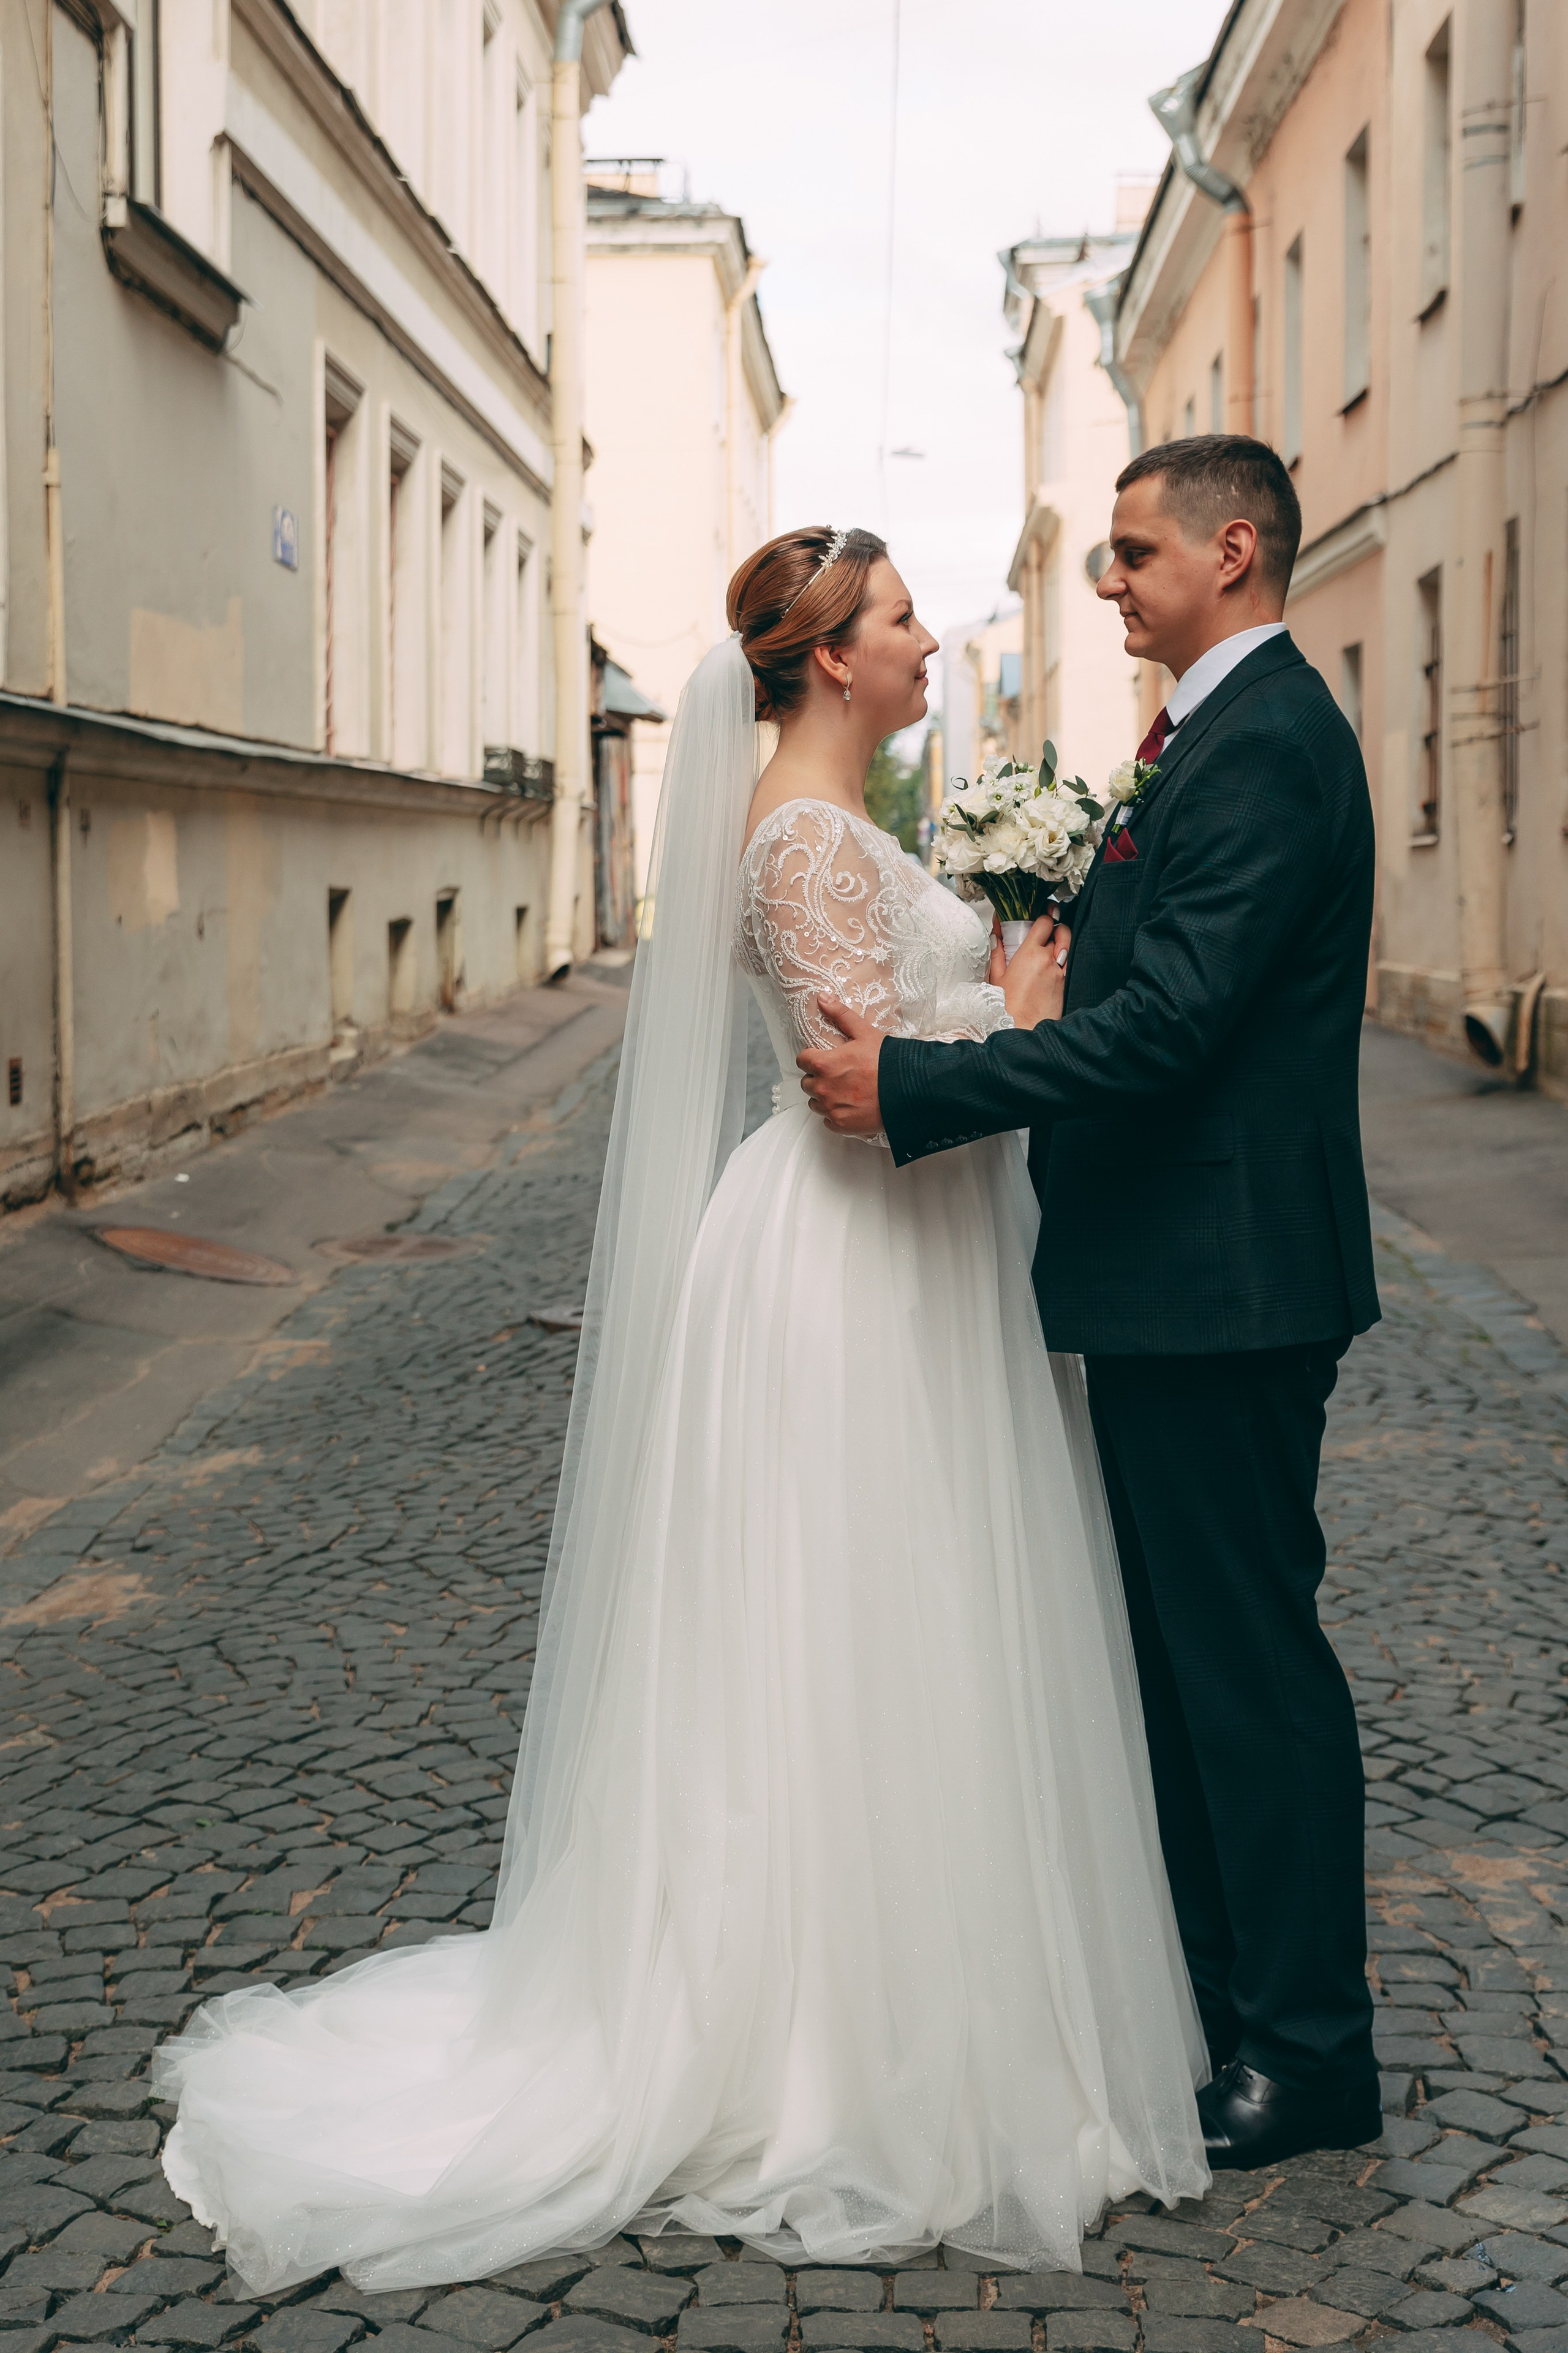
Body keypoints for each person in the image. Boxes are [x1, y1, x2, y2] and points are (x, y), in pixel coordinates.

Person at [151, 525, 1210, 2294]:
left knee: (916, 1618)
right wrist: (1020, 998)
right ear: (820, 663)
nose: (930, 641)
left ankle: (932, 1980)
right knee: (849, 1623)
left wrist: (1001, 991)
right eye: (894, 623)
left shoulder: (843, 823)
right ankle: (820, 2040)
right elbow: (863, 1077)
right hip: (859, 1265)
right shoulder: (798, 837)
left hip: (920, 1262)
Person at [800, 438, 1382, 2172]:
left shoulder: (1268, 739)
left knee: (1248, 1670)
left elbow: (1179, 1030)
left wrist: (920, 1083)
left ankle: (1308, 2047)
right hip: (1169, 1279)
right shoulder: (1208, 728)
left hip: (1227, 1284)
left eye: (1132, 553)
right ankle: (1223, 2007)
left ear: (1234, 547)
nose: (1105, 579)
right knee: (1186, 1668)